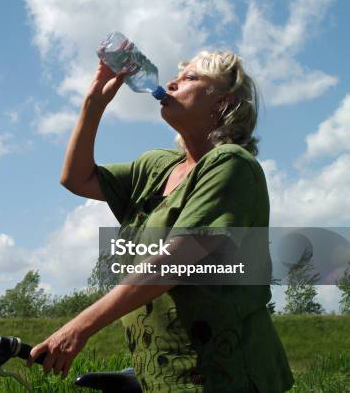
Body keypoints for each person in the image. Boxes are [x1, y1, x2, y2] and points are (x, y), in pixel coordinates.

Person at [27, 51, 295, 392]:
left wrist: (80, 327)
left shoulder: (232, 165)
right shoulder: (157, 167)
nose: (172, 83)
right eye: (177, 76)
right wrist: (94, 102)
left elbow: (174, 262)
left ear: (222, 104)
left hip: (223, 376)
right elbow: (77, 179)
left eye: (191, 78)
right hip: (161, 375)